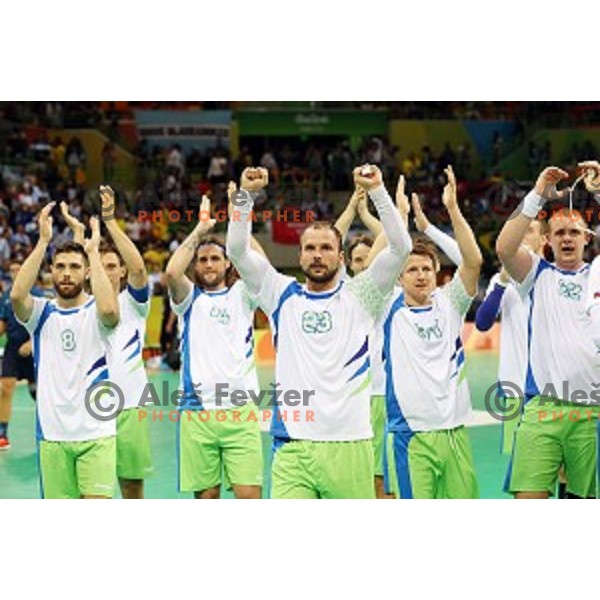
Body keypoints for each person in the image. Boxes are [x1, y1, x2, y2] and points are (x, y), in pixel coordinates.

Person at [227, 165, 412, 499]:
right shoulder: (279, 294)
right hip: (292, 446)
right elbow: (237, 251)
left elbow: (400, 248)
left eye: (326, 248)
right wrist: (246, 197)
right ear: (299, 255)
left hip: (351, 445)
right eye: (310, 248)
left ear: (340, 258)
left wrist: (378, 191)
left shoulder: (362, 295)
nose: (317, 255)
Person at [496, 166, 599, 499]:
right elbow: (504, 248)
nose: (567, 238)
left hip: (592, 411)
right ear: (548, 241)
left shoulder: (597, 275)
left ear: (587, 238)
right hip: (543, 408)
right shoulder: (536, 274)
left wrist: (598, 193)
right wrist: (538, 192)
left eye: (574, 232)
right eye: (559, 233)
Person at [383, 166, 482, 499]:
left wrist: (450, 212)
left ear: (438, 272)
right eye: (411, 269)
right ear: (398, 277)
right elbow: (373, 263)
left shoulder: (450, 302)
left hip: (454, 433)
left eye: (427, 268)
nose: (420, 275)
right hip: (411, 437)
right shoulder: (386, 309)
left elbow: (472, 261)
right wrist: (398, 217)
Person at [11, 203, 120, 499]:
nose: (67, 274)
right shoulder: (41, 313)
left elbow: (110, 309)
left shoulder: (98, 311)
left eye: (74, 267)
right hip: (53, 437)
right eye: (60, 267)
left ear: (86, 272)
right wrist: (43, 241)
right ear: (51, 272)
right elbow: (18, 295)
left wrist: (93, 252)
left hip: (97, 434)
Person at [165, 194, 263, 500]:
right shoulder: (188, 300)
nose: (208, 264)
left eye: (215, 258)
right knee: (206, 499)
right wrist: (200, 230)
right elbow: (170, 273)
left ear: (228, 262)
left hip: (241, 410)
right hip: (197, 412)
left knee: (249, 496)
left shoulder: (243, 294)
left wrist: (240, 216)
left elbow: (261, 265)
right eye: (203, 259)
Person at [60, 186, 154, 499]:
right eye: (100, 265)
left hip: (129, 406)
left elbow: (140, 268)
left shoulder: (134, 304)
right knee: (91, 492)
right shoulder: (81, 306)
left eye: (112, 265)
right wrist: (79, 238)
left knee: (131, 487)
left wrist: (111, 221)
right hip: (87, 409)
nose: (107, 270)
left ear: (122, 270)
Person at [475, 220, 546, 455]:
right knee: (521, 468)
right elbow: (483, 323)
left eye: (529, 231)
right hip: (515, 387)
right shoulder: (501, 280)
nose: (522, 236)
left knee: (562, 468)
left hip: (554, 389)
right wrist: (503, 281)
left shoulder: (555, 276)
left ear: (544, 240)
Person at [0, 262, 38, 450]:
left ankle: (50, 428)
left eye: (19, 269)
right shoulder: (5, 298)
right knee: (6, 387)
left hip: (34, 348)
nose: (16, 273)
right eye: (13, 270)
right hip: (13, 349)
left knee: (39, 393)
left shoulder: (38, 295)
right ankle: (2, 433)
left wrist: (32, 343)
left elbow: (45, 324)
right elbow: (3, 326)